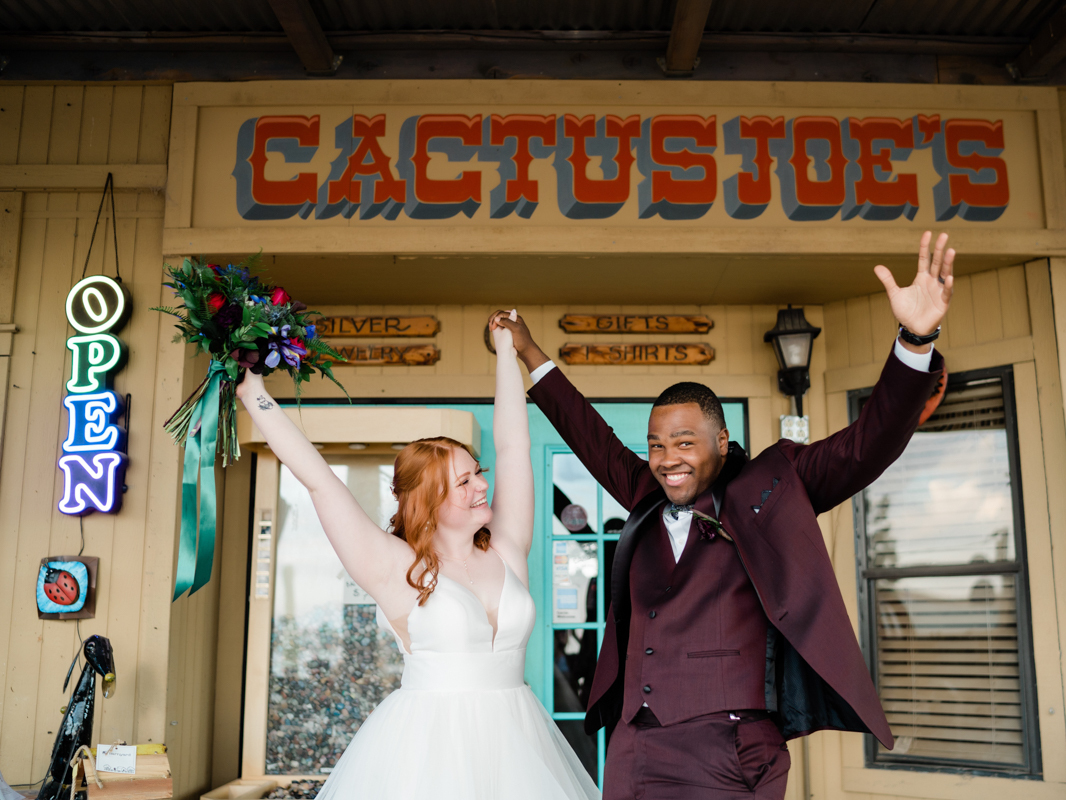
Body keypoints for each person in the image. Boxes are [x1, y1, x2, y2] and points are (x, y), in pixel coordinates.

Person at [491, 231, 956, 800]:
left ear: (722, 440)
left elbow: (870, 443)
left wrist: (916, 338)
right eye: (656, 445)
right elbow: (591, 435)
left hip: (730, 752)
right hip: (636, 746)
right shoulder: (644, 492)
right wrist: (531, 351)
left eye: (684, 443)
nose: (667, 460)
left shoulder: (774, 484)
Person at [236, 310, 599, 800]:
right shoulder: (394, 567)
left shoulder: (507, 546)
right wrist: (252, 392)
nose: (483, 485)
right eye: (465, 481)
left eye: (478, 472)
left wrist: (507, 352)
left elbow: (514, 446)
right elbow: (319, 480)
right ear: (426, 501)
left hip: (520, 745)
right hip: (428, 754)